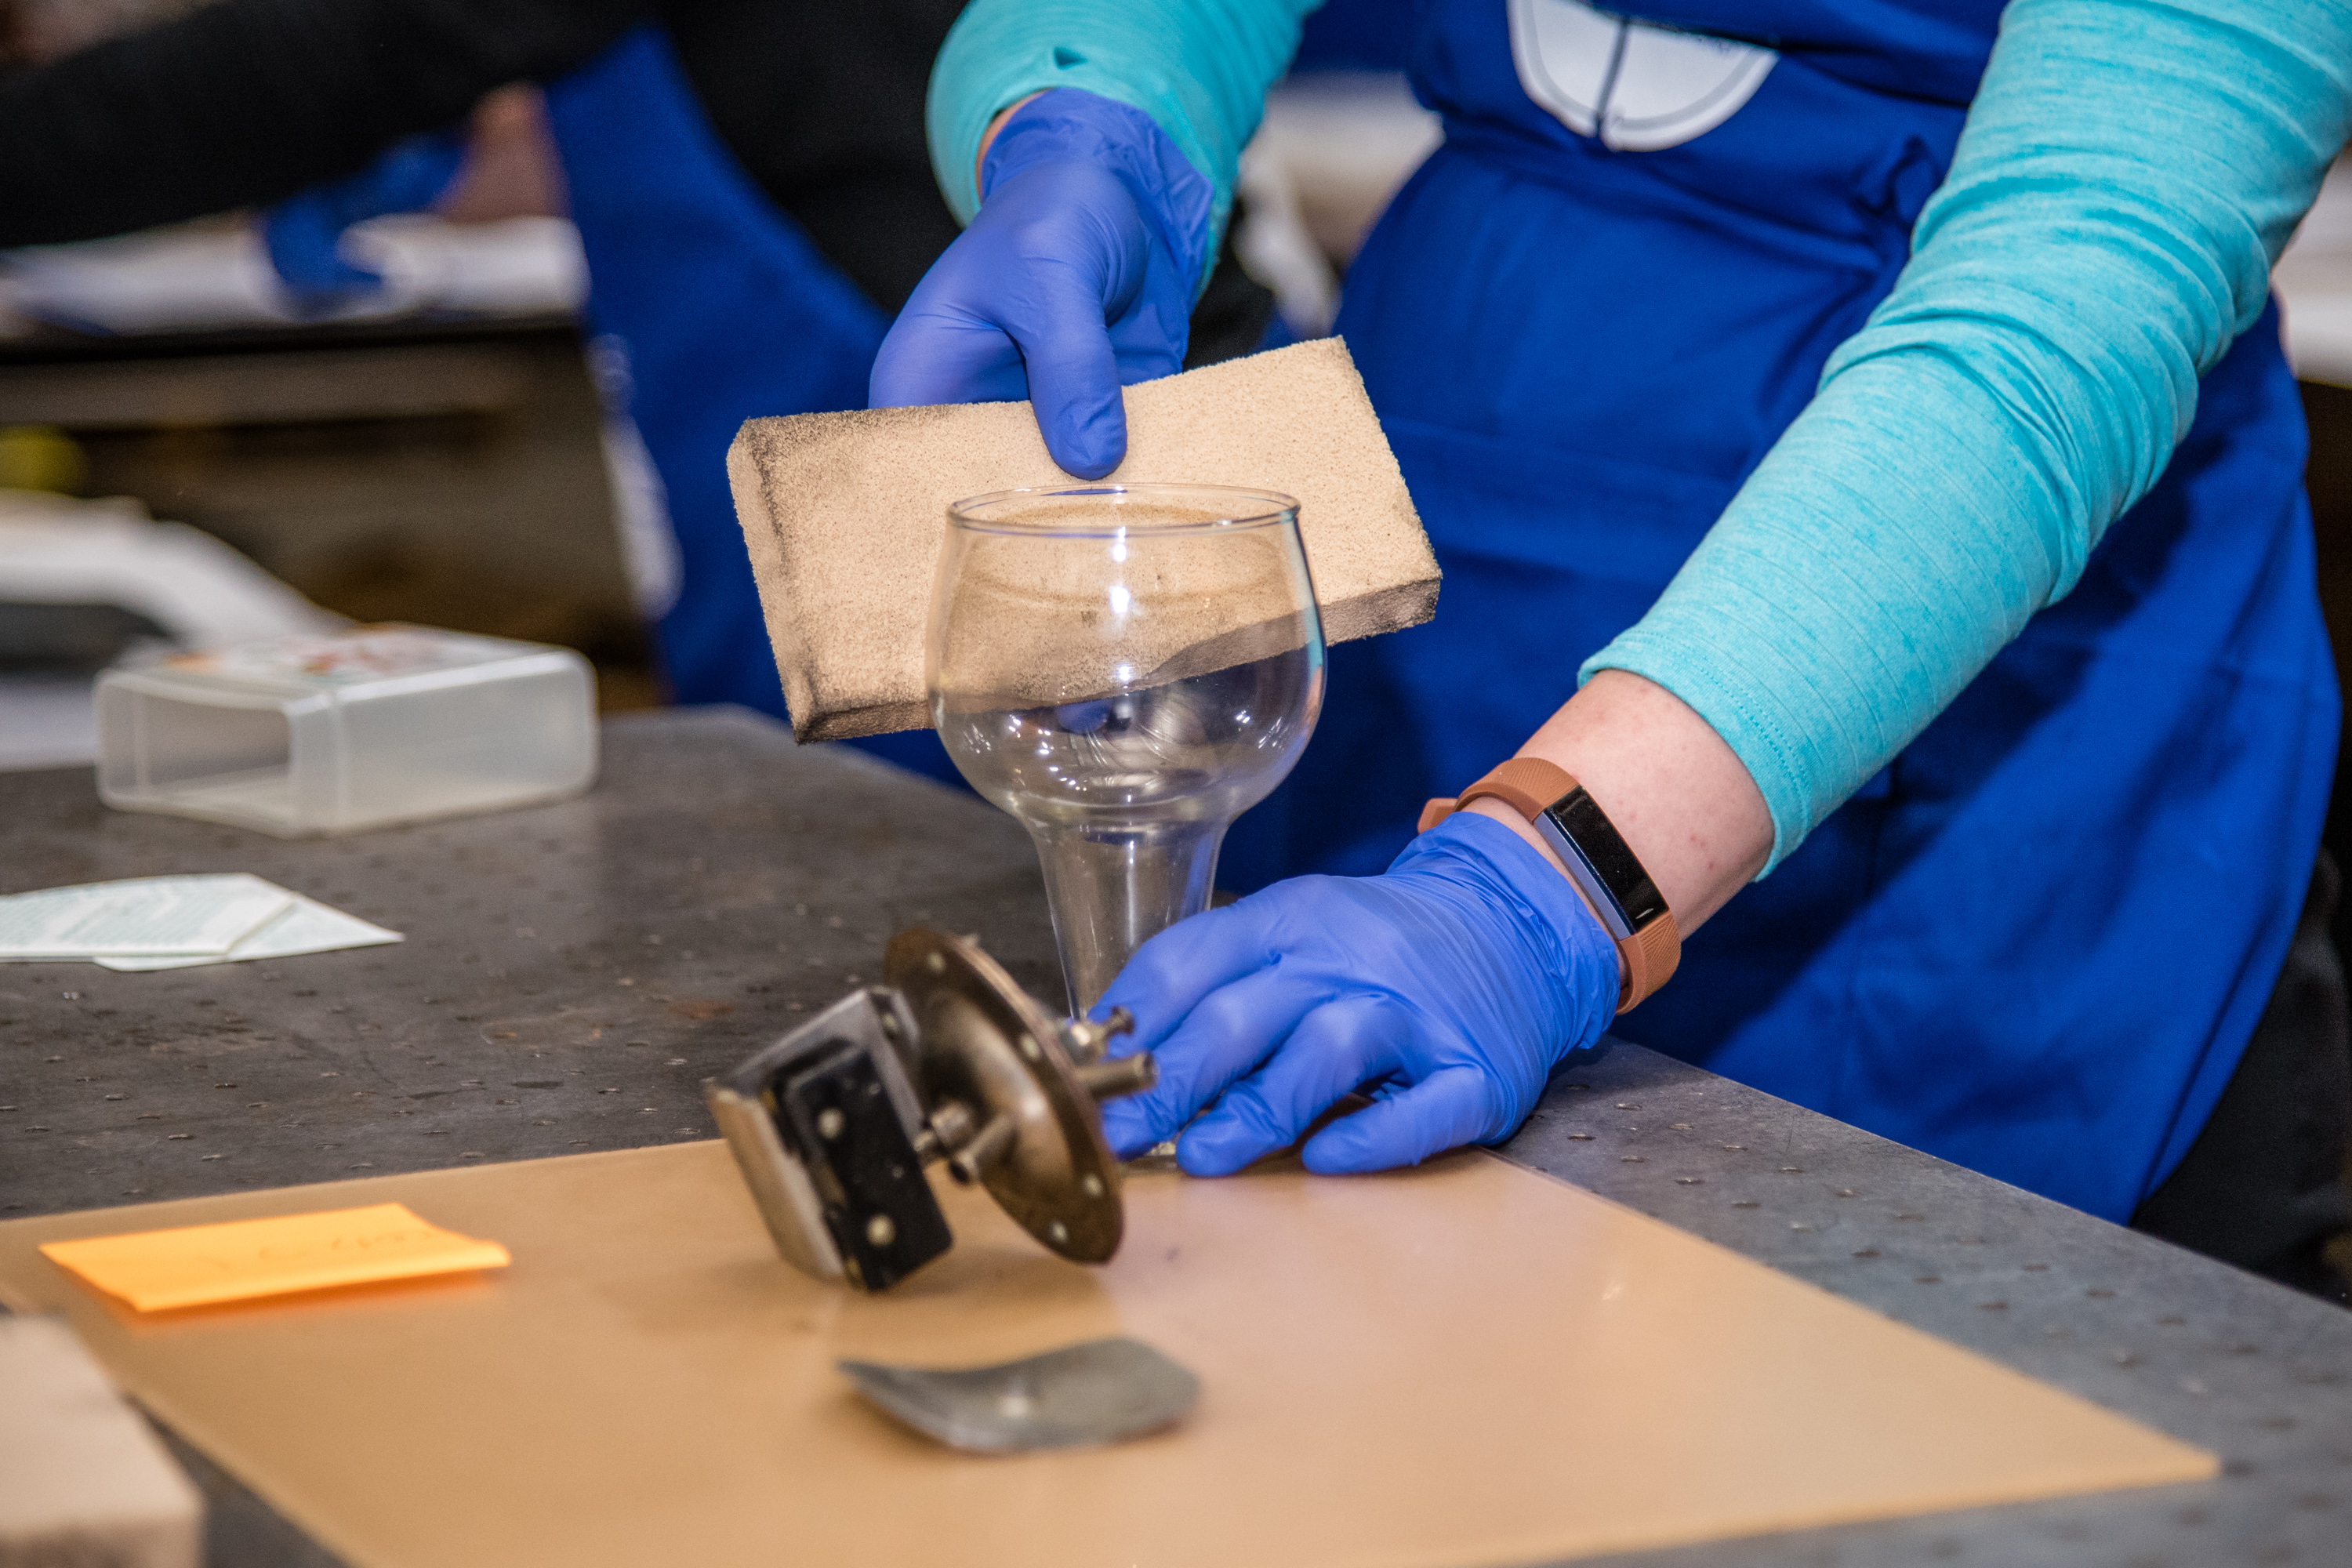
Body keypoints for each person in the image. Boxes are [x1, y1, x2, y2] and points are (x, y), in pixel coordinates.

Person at [871, 0, 2352, 1296]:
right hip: (1462, 578)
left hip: (1985, 679)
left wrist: (1548, 882)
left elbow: (2060, 319)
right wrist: (1090, 112)